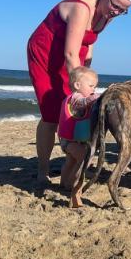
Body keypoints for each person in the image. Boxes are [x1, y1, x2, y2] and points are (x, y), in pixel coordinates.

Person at [27, 0, 131, 183]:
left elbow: (88, 43)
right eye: (116, 6)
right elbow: (70, 55)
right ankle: (43, 170)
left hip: (72, 46)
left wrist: (87, 76)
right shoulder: (82, 8)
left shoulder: (108, 13)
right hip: (46, 49)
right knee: (52, 113)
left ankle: (71, 159)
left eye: (123, 10)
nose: (117, 12)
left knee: (81, 109)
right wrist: (79, 90)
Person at [57, 66, 101, 206]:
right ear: (77, 85)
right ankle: (72, 185)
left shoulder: (70, 98)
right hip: (71, 141)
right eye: (91, 86)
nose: (93, 90)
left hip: (67, 140)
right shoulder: (76, 98)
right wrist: (100, 96)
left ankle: (63, 183)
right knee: (84, 159)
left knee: (70, 162)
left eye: (95, 87)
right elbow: (84, 103)